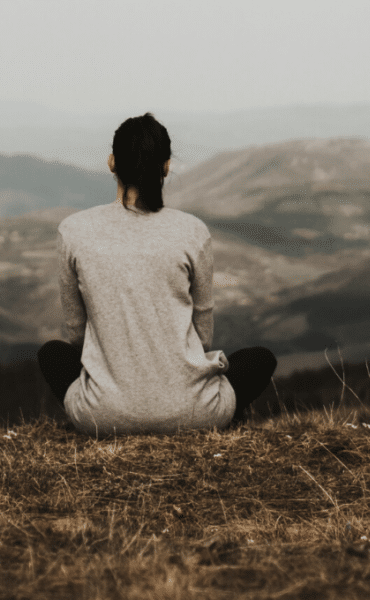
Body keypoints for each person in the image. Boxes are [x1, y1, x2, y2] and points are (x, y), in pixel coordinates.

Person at [38, 112, 277, 436]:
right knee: (259, 359)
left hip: (102, 417)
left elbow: (76, 334)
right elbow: (203, 335)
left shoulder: (73, 231)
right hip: (196, 414)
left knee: (52, 354)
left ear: (111, 162)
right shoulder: (192, 231)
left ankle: (115, 407)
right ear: (166, 166)